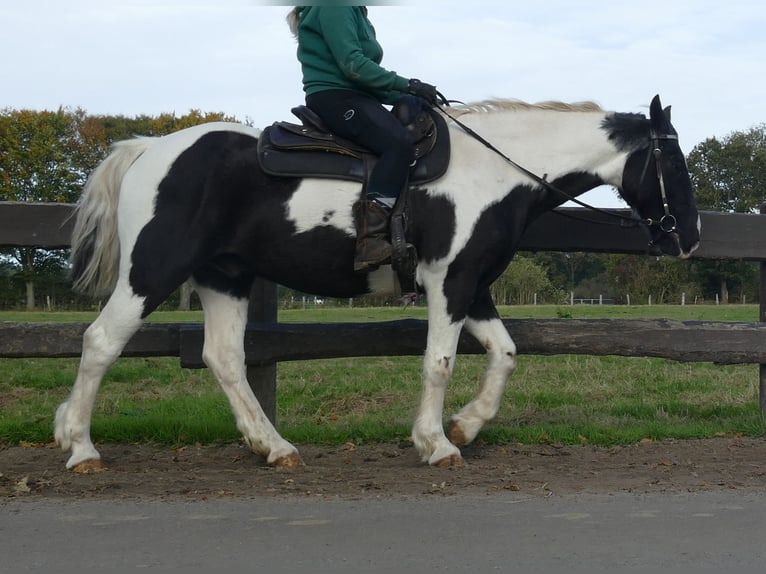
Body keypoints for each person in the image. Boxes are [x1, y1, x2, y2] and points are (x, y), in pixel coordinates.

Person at [287, 5, 440, 272]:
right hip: (335, 97)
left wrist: (407, 95)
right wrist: (408, 84)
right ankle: (370, 239)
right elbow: (353, 65)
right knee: (398, 144)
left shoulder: (356, 11)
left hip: (355, 95)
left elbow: (364, 80)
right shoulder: (336, 7)